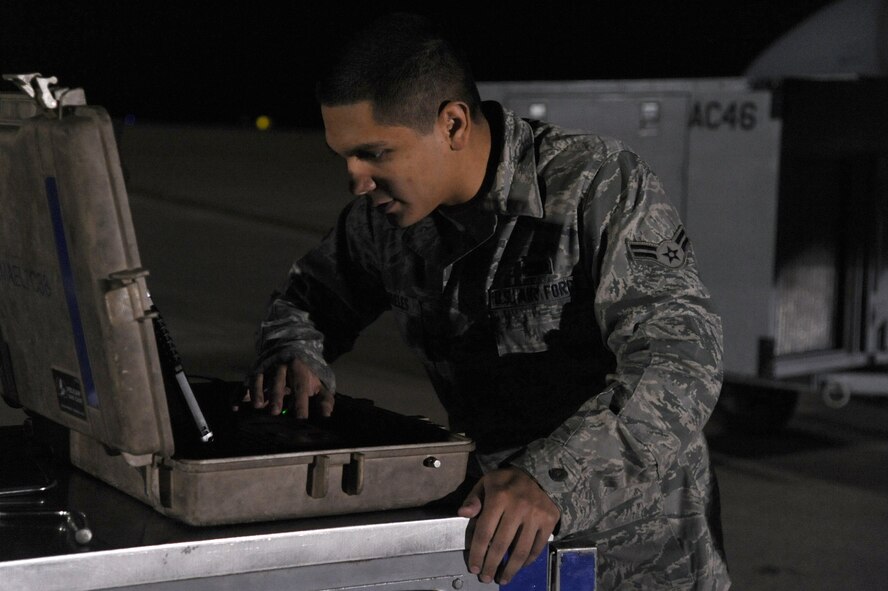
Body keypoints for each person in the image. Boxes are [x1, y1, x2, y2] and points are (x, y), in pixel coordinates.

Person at [249, 12, 730, 589]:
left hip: (638, 552)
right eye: (344, 158)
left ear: (452, 123)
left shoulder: (593, 183)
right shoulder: (382, 225)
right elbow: (312, 299)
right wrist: (293, 351)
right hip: (493, 543)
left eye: (376, 154)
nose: (356, 181)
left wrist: (551, 478)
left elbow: (680, 360)